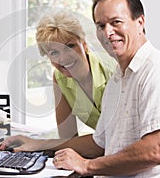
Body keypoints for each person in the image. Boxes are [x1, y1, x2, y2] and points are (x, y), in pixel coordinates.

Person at [0, 0, 160, 176]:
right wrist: (38, 145)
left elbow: (156, 150)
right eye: (101, 25)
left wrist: (87, 166)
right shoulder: (118, 80)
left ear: (140, 22)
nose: (108, 32)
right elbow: (99, 143)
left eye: (116, 22)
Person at [35, 10, 114, 138]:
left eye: (70, 46)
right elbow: (68, 137)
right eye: (54, 53)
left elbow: (115, 137)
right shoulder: (60, 78)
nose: (64, 58)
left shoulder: (113, 69)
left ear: (84, 44)